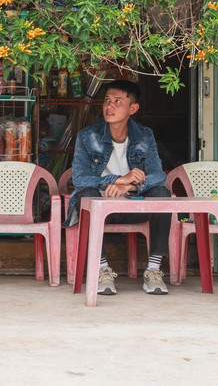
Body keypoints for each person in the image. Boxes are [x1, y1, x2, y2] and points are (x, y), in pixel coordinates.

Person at [68, 79, 171, 295]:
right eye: (107, 100)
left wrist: (128, 187)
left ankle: (153, 270)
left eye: (117, 101)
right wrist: (116, 180)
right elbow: (79, 178)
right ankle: (101, 269)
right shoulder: (88, 136)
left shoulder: (144, 135)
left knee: (162, 194)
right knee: (85, 195)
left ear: (133, 108)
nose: (109, 106)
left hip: (133, 206)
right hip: (101, 206)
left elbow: (157, 175)